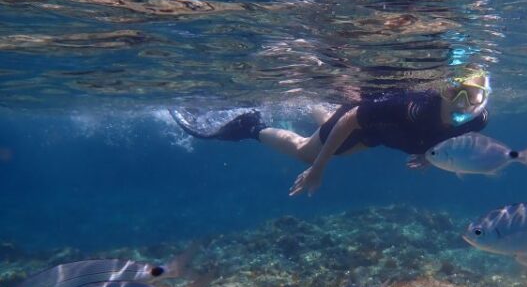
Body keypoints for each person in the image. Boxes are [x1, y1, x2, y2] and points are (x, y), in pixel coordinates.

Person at [171, 67, 491, 196]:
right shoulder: (411, 106)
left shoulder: (478, 121)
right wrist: (318, 167)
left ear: (484, 100)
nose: (461, 103)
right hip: (364, 124)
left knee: (332, 122)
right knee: (305, 152)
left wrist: (426, 155)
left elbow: (443, 137)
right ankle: (250, 125)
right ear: (440, 91)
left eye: (472, 96)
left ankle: (317, 103)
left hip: (378, 135)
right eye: (454, 93)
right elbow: (352, 117)